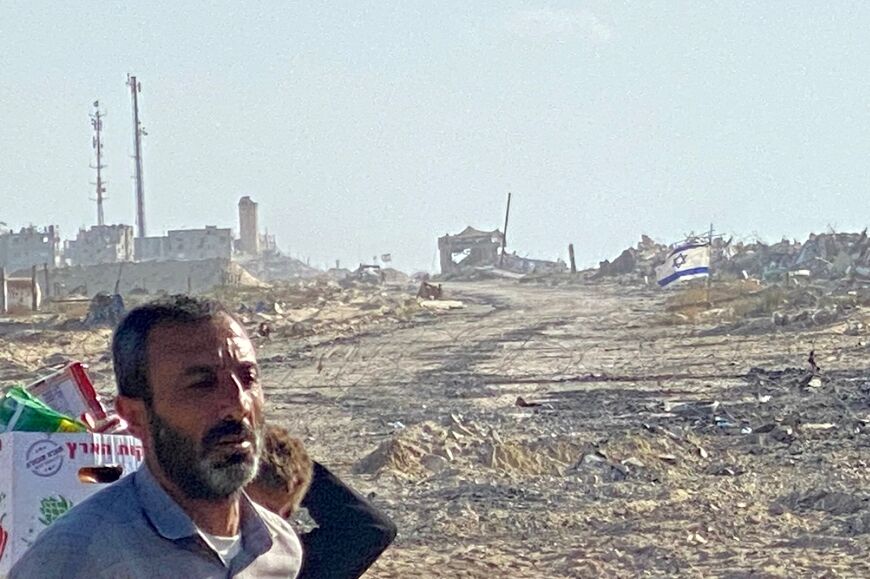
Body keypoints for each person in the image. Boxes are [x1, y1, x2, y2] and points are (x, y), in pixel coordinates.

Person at [11, 295, 302, 578]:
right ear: (135, 415)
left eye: (248, 378)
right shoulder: (78, 556)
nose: (239, 405)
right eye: (202, 384)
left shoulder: (277, 550)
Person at [247, 425, 398, 579]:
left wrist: (294, 466)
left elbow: (371, 529)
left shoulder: (283, 562)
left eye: (282, 515)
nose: (274, 525)